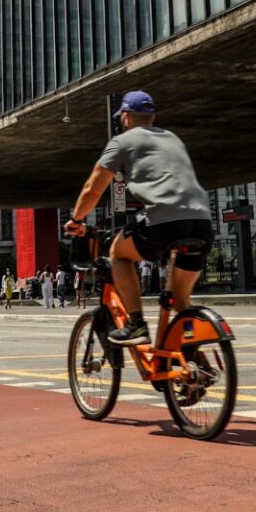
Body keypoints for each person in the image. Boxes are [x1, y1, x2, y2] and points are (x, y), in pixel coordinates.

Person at [64, 90, 212, 346]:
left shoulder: (122, 141)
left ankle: (136, 324)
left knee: (118, 253)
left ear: (127, 117)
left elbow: (93, 188)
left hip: (164, 220)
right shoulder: (173, 138)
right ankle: (193, 357)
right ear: (152, 117)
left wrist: (76, 220)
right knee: (180, 301)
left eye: (121, 116)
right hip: (202, 221)